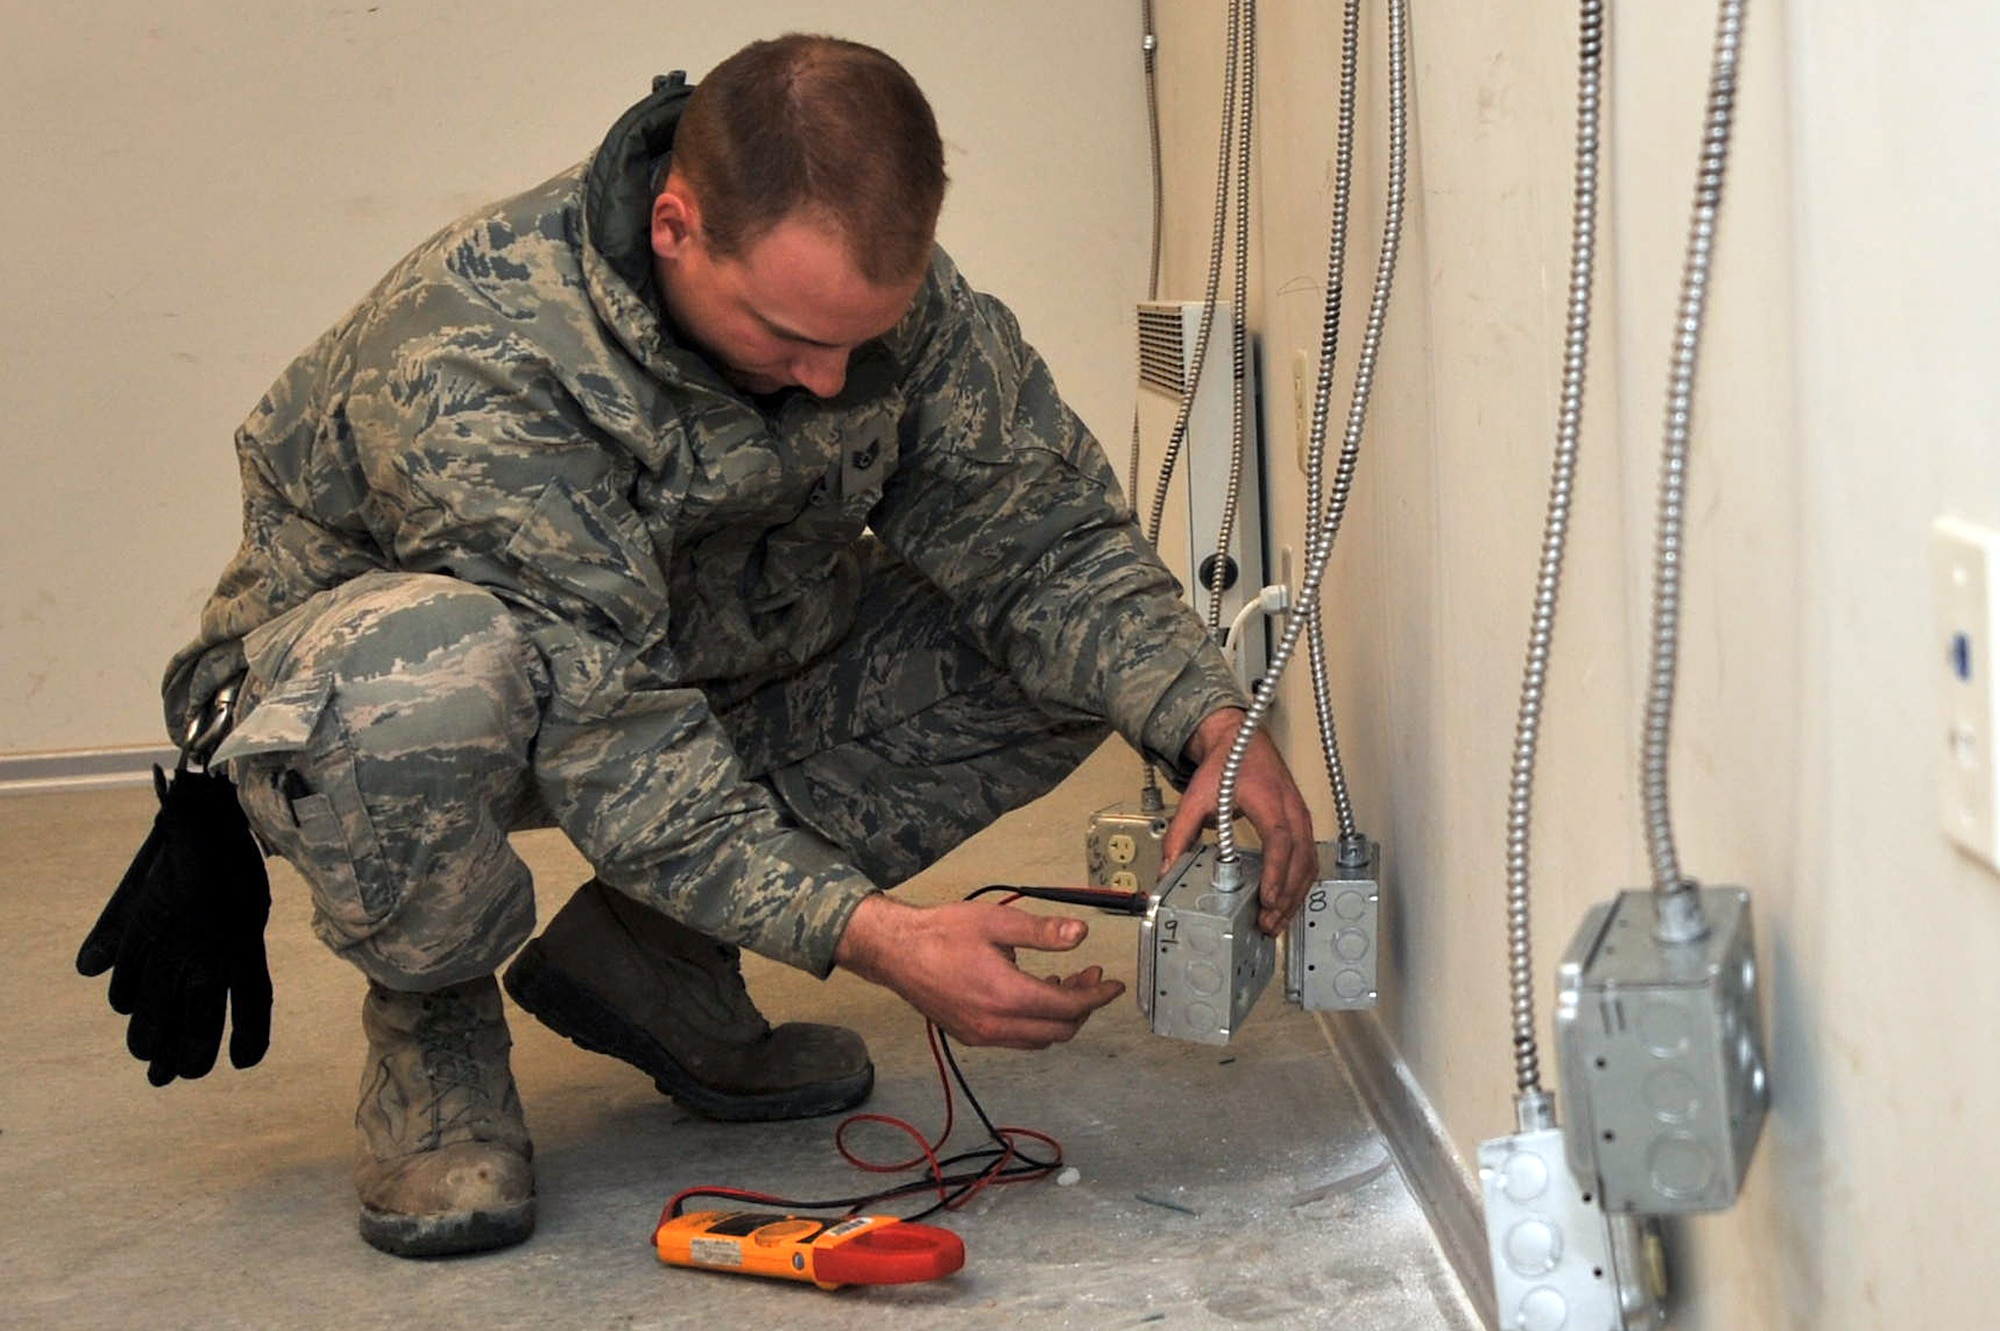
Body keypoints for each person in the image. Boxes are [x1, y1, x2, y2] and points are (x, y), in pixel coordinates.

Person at [156, 33, 1316, 1258]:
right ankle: (431, 1033)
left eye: (856, 340)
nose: (826, 380)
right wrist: (876, 936)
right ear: (673, 227)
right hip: (398, 708)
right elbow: (615, 735)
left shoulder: (882, 308)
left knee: (1065, 656)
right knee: (431, 675)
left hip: (693, 650)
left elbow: (1044, 540)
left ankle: (656, 964)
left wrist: (1211, 721)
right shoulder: (480, 355)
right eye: (785, 334)